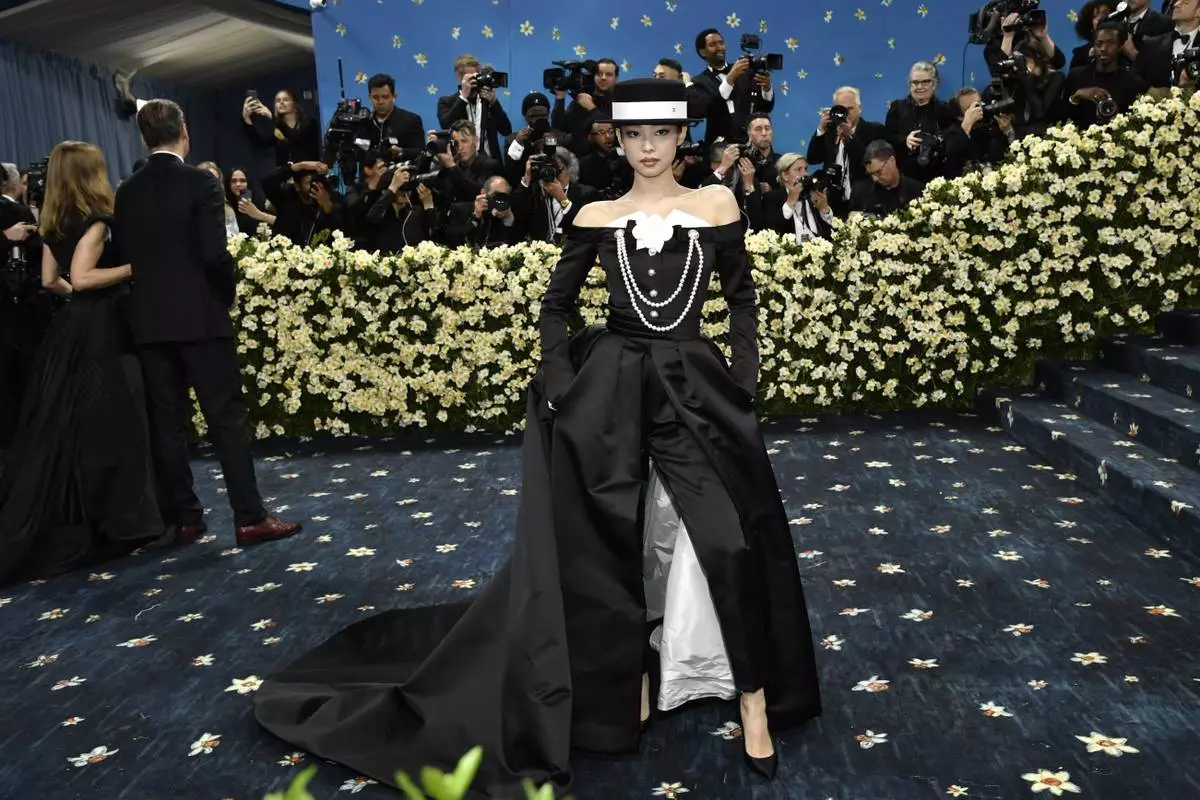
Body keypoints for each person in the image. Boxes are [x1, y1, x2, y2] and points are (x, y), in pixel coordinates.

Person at [253, 77, 821, 798]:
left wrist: (742, 375)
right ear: (618, 139)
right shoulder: (596, 213)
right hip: (609, 393)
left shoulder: (716, 204)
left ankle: (753, 697)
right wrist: (559, 384)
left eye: (661, 134)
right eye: (634, 135)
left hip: (696, 394)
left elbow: (740, 296)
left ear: (682, 138)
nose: (647, 148)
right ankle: (630, 687)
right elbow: (556, 308)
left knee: (729, 539)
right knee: (613, 545)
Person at [113, 99, 300, 548]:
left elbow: (128, 256)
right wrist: (225, 298)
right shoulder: (201, 182)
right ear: (185, 132)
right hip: (201, 318)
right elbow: (215, 254)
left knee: (167, 423)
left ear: (143, 137)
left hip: (150, 321)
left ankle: (185, 518)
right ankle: (249, 518)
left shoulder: (127, 191)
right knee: (226, 420)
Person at [0, 142, 163, 586]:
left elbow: (53, 280)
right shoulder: (95, 220)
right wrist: (132, 269)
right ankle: (125, 518)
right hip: (104, 331)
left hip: (70, 330)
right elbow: (85, 276)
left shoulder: (53, 221)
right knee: (119, 422)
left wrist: (79, 302)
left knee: (76, 427)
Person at [241, 88, 321, 167]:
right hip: (287, 176)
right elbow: (260, 141)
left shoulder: (309, 122)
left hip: (310, 174)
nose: (281, 103)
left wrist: (271, 116)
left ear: (294, 103)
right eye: (278, 101)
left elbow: (295, 139)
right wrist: (247, 119)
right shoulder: (279, 129)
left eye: (286, 99)